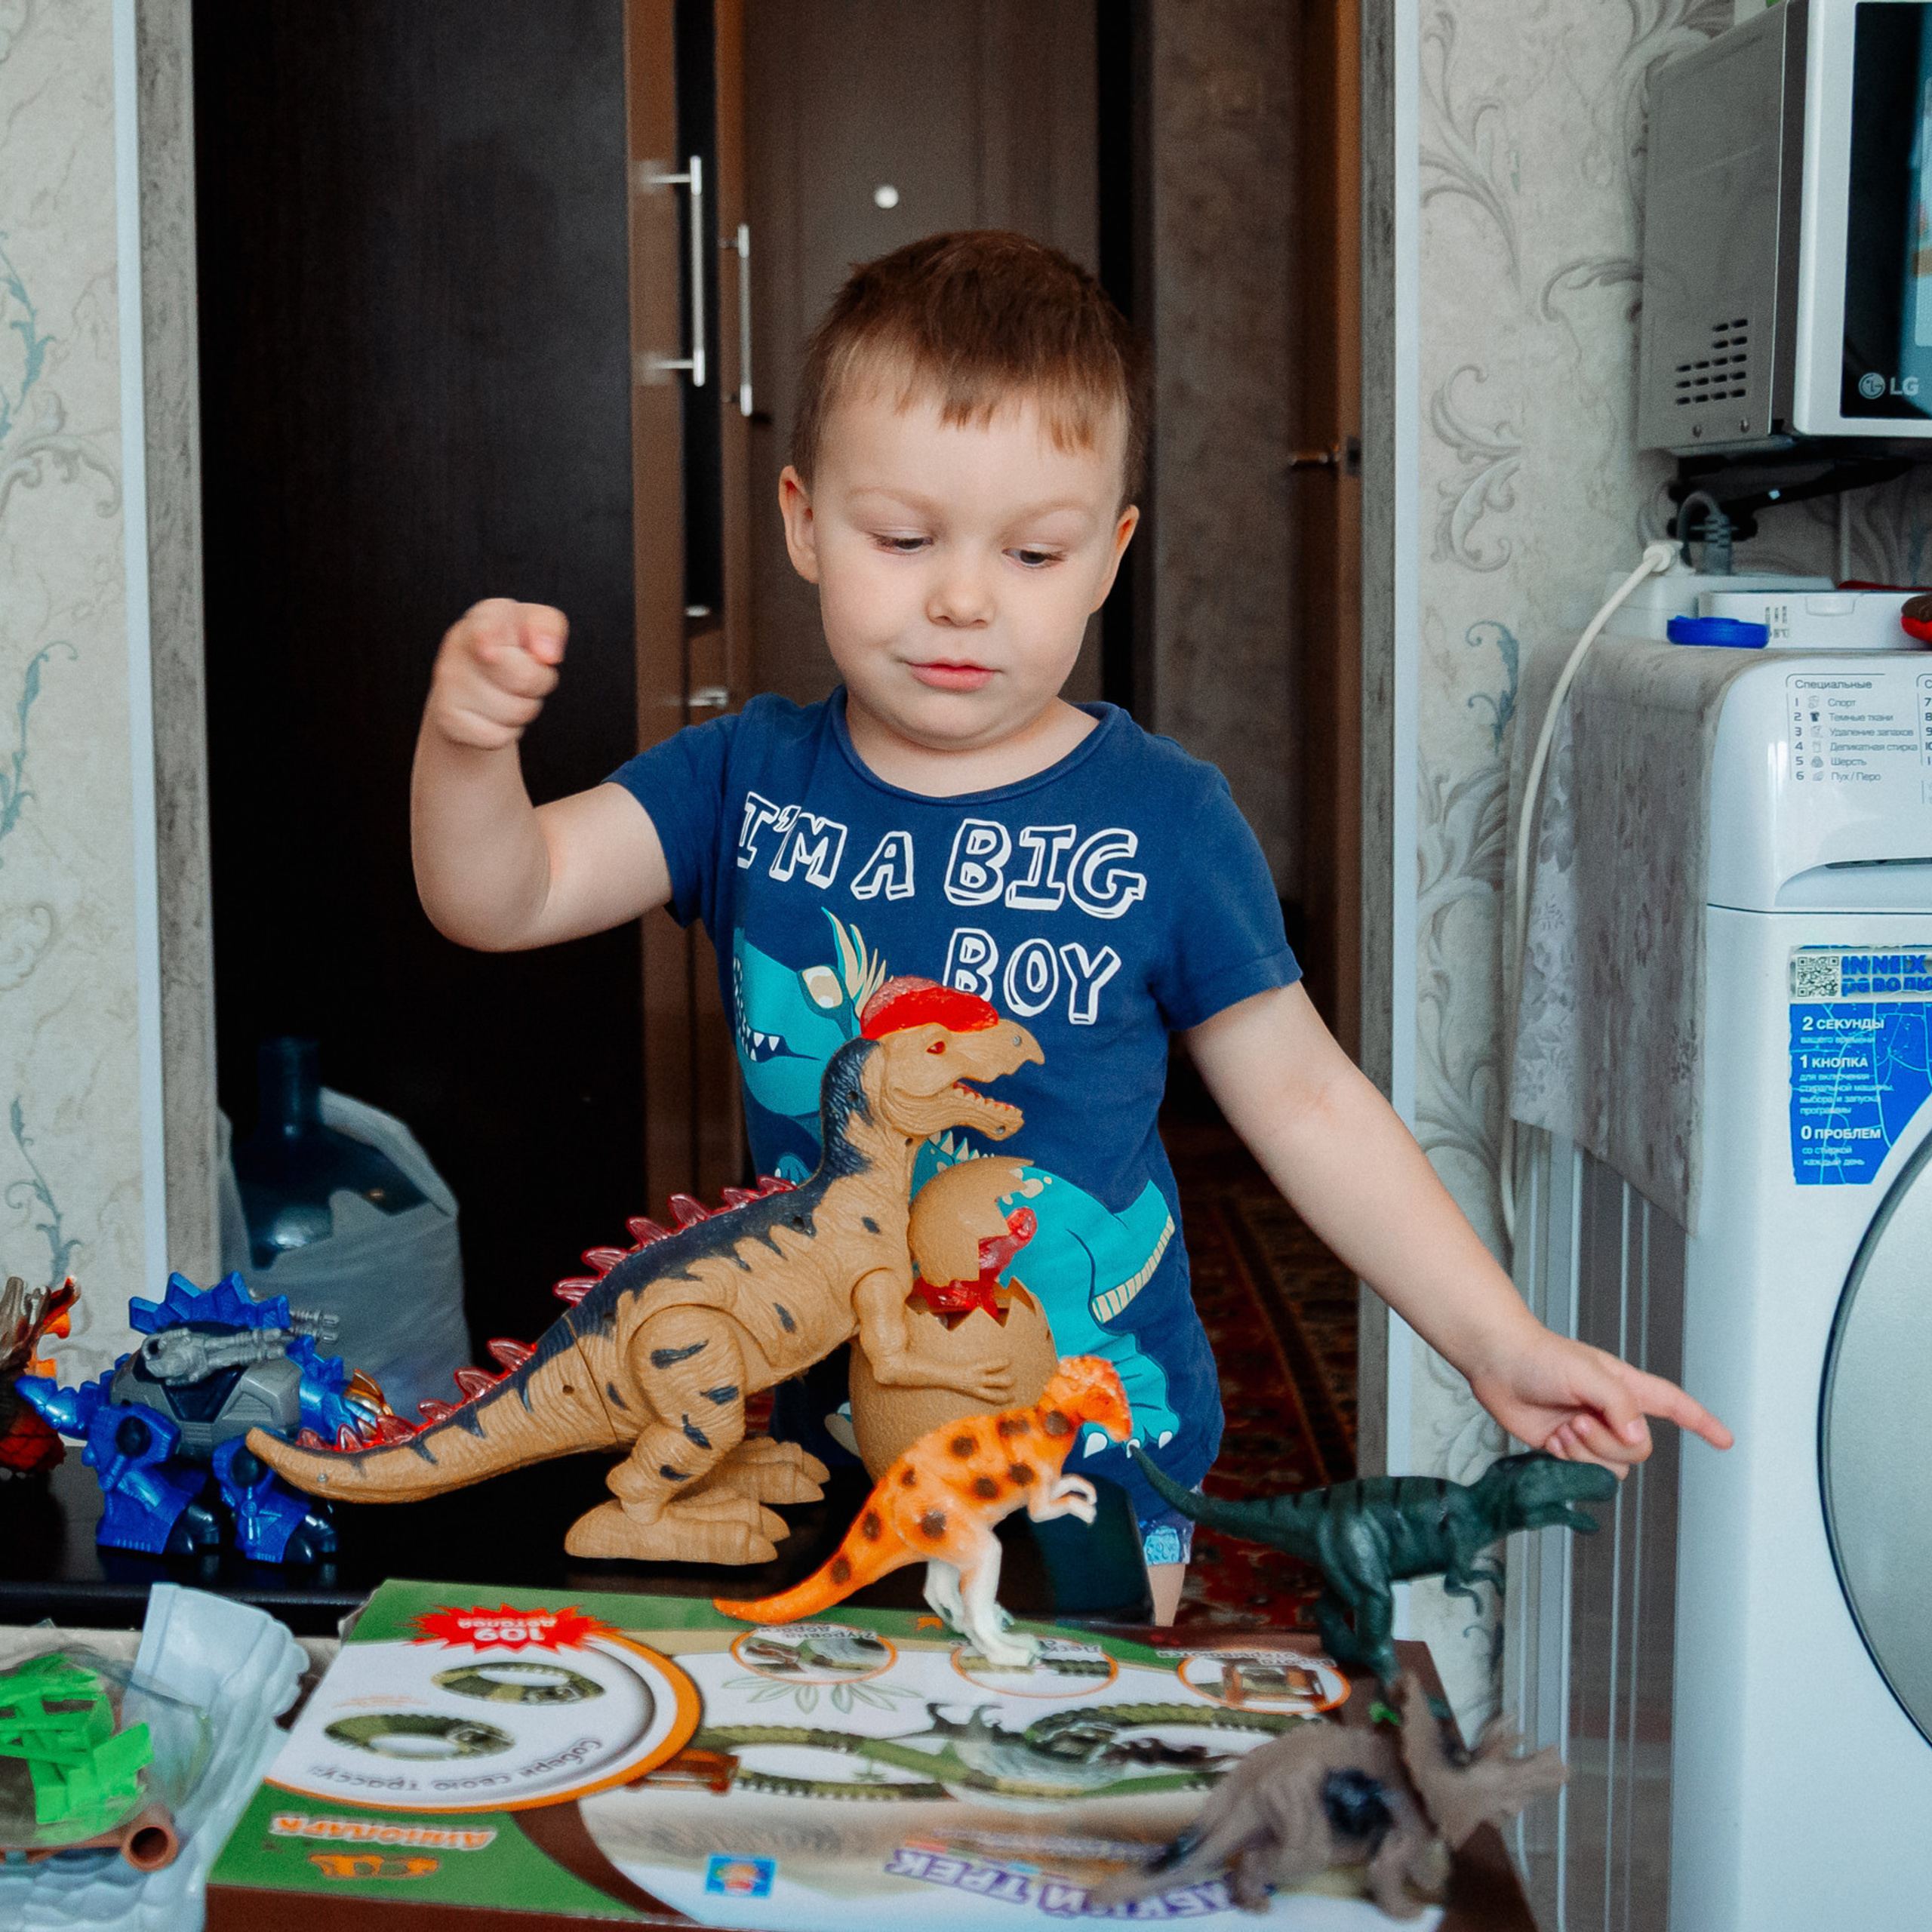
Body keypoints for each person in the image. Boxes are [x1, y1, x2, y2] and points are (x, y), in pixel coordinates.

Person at [411, 230, 1730, 1623]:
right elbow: (504, 896)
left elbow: (1309, 1103)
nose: (962, 598)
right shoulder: (742, 780)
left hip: (1096, 1456)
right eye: (902, 538)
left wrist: (1495, 1339)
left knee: (1061, 1744)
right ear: (803, 522)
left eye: (1033, 551)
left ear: (1109, 556)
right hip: (839, 1445)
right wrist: (465, 747)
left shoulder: (1166, 819)